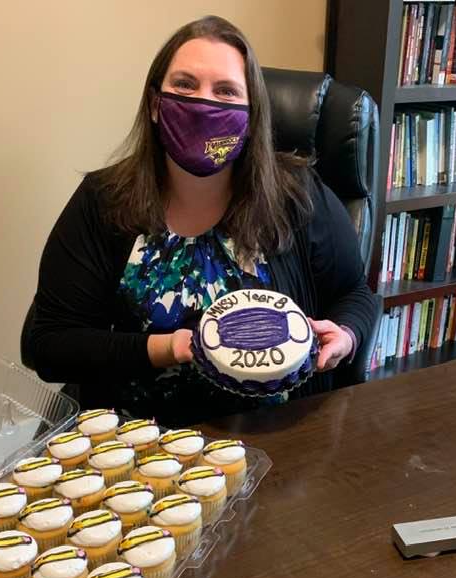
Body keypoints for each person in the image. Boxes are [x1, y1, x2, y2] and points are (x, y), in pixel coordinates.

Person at [28, 15, 377, 427]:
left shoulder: (297, 195)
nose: (203, 104)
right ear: (156, 104)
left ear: (251, 118)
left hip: (279, 436)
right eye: (185, 85)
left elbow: (356, 294)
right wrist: (169, 347)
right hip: (145, 442)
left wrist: (347, 334)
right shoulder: (103, 201)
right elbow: (47, 345)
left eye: (226, 91)